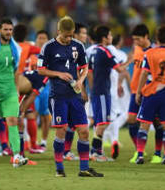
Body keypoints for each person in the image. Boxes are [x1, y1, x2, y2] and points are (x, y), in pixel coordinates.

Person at [38, 15, 103, 177]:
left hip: (74, 97)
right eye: (66, 35)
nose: (69, 38)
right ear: (59, 31)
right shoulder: (48, 47)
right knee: (61, 132)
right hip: (58, 97)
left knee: (84, 131)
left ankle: (84, 168)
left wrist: (80, 80)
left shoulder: (78, 45)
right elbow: (40, 70)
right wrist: (58, 74)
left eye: (71, 35)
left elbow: (85, 67)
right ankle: (59, 169)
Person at [135, 24, 165, 164]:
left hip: (150, 93)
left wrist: (139, 92)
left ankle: (140, 155)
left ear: (156, 38)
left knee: (144, 125)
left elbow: (144, 73)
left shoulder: (149, 54)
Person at [0, 18, 28, 167]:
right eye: (6, 29)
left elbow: (16, 71)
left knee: (13, 121)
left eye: (10, 30)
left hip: (9, 92)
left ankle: (16, 156)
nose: (9, 32)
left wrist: (16, 89)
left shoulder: (15, 49)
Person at [88, 25, 131, 161]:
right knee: (103, 123)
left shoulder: (94, 51)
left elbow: (88, 71)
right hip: (102, 91)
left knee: (101, 122)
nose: (111, 37)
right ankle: (95, 152)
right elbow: (120, 69)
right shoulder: (105, 52)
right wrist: (131, 60)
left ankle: (96, 152)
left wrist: (92, 87)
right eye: (110, 35)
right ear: (104, 38)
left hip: (96, 90)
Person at [127, 24, 164, 164]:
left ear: (146, 37)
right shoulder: (136, 48)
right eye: (134, 39)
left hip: (149, 91)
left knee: (156, 122)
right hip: (134, 90)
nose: (136, 42)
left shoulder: (154, 51)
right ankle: (139, 151)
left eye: (138, 39)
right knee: (131, 120)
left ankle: (157, 153)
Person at [13, 24, 44, 154]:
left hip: (12, 83)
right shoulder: (28, 46)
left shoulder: (10, 46)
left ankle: (5, 146)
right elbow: (42, 51)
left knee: (3, 120)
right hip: (21, 83)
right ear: (25, 35)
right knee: (23, 116)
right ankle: (28, 146)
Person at [103, 34, 131, 159]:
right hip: (117, 88)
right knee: (124, 113)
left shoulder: (100, 50)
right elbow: (122, 70)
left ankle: (104, 139)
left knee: (103, 116)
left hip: (103, 87)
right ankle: (113, 138)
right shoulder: (118, 53)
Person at [63, 22, 88, 161]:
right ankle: (66, 151)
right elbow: (78, 72)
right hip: (74, 91)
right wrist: (82, 90)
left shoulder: (78, 48)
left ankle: (66, 151)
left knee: (71, 123)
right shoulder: (76, 48)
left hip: (72, 90)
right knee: (73, 122)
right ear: (76, 34)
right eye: (83, 33)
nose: (85, 36)